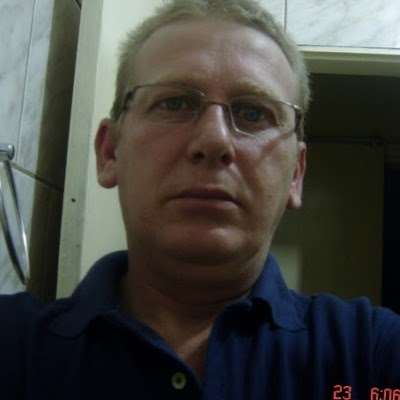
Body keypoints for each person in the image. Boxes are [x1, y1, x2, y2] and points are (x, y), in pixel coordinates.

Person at [1, 0, 399, 398]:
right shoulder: (11, 348)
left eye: (253, 113)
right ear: (110, 153)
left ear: (296, 173)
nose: (214, 140)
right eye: (174, 103)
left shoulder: (373, 353)